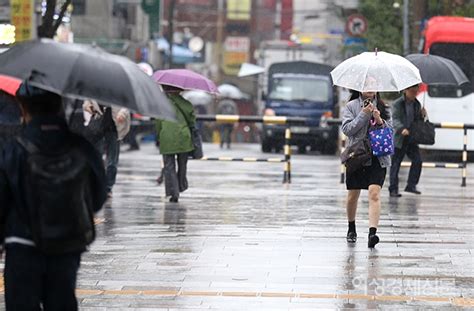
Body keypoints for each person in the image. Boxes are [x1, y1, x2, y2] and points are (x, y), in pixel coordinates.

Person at [0, 83, 107, 310]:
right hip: (67, 243)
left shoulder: (14, 148)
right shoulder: (81, 146)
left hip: (22, 244)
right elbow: (98, 196)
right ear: (59, 104)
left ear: (23, 107)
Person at [341, 90, 392, 248]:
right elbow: (347, 130)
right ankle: (351, 228)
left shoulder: (384, 107)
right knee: (352, 196)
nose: (370, 88)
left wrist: (379, 120)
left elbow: (391, 131)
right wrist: (363, 114)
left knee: (374, 193)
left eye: (373, 85)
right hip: (357, 156)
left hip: (378, 157)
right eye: (366, 84)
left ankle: (372, 233)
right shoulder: (351, 106)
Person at [156, 85, 196, 203]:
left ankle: (174, 192)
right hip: (184, 137)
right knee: (182, 164)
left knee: (169, 166)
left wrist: (159, 135)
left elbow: (158, 123)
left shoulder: (161, 105)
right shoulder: (187, 104)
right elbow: (192, 122)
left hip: (167, 136)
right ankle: (181, 185)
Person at [83, 100, 130, 198]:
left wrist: (122, 114)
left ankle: (108, 187)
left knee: (112, 161)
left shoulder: (120, 87)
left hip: (114, 127)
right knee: (96, 158)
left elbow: (127, 104)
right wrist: (88, 106)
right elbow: (87, 101)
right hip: (97, 126)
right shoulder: (96, 87)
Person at [389, 84, 426, 197]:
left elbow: (418, 121)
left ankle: (411, 185)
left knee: (417, 161)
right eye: (412, 92)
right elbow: (394, 119)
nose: (414, 94)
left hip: (411, 137)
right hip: (400, 138)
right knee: (395, 164)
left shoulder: (417, 104)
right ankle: (393, 189)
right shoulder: (398, 103)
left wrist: (423, 115)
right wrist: (401, 129)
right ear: (406, 90)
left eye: (416, 92)